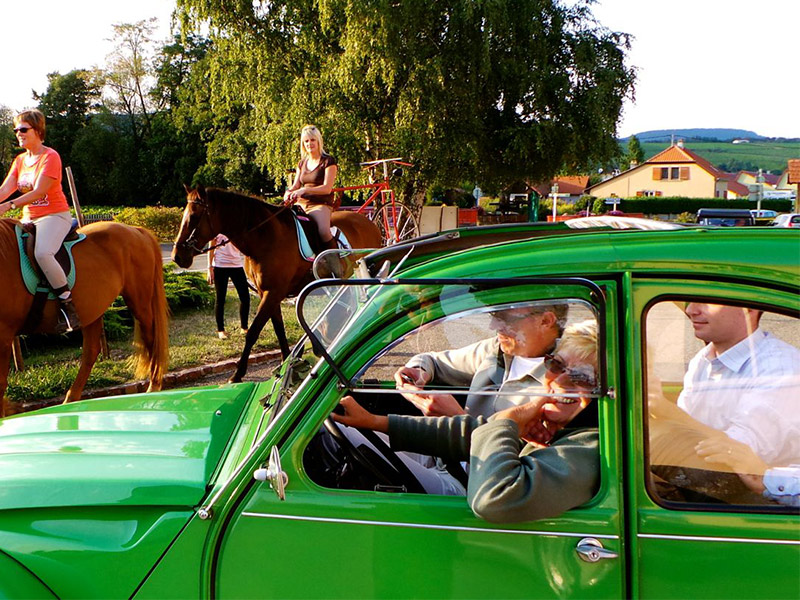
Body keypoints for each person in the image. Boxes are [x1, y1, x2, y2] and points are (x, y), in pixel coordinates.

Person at [334, 320, 600, 521]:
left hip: (466, 490)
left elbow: (491, 498)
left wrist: (506, 419)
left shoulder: (589, 446)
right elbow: (474, 431)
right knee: (349, 435)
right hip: (456, 465)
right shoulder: (499, 355)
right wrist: (373, 421)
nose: (559, 381)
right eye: (555, 365)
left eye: (582, 377)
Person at [676, 302, 800, 466]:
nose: (690, 310)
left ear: (750, 307)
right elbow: (682, 432)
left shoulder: (779, 368)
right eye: (690, 300)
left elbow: (735, 454)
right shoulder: (703, 359)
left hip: (750, 488)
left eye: (706, 300)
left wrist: (663, 410)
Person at [393, 303, 568, 418]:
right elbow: (432, 360)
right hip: (444, 460)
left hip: (470, 473)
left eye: (505, 318)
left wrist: (458, 419)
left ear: (545, 321)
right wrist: (419, 371)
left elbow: (524, 462)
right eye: (493, 315)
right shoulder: (496, 350)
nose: (493, 326)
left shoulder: (565, 384)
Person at [0, 109, 79, 333]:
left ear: (38, 130)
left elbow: (38, 192)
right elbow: (6, 189)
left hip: (54, 217)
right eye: (16, 130)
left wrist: (9, 205)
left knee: (43, 253)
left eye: (24, 129)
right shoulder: (20, 160)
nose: (18, 133)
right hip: (28, 219)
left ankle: (67, 303)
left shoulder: (50, 157)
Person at [282, 124, 339, 252]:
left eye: (312, 140)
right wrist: (288, 192)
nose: (309, 143)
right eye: (306, 141)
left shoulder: (328, 161)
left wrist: (305, 190)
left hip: (320, 204)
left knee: (323, 231)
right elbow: (296, 185)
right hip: (301, 204)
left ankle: (336, 262)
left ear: (319, 141)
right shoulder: (302, 163)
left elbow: (327, 188)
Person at [207, 234, 250, 340]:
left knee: (245, 298)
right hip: (220, 266)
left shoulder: (236, 226)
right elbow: (211, 247)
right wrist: (209, 268)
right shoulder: (217, 229)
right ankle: (220, 330)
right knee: (220, 299)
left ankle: (244, 327)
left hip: (236, 265)